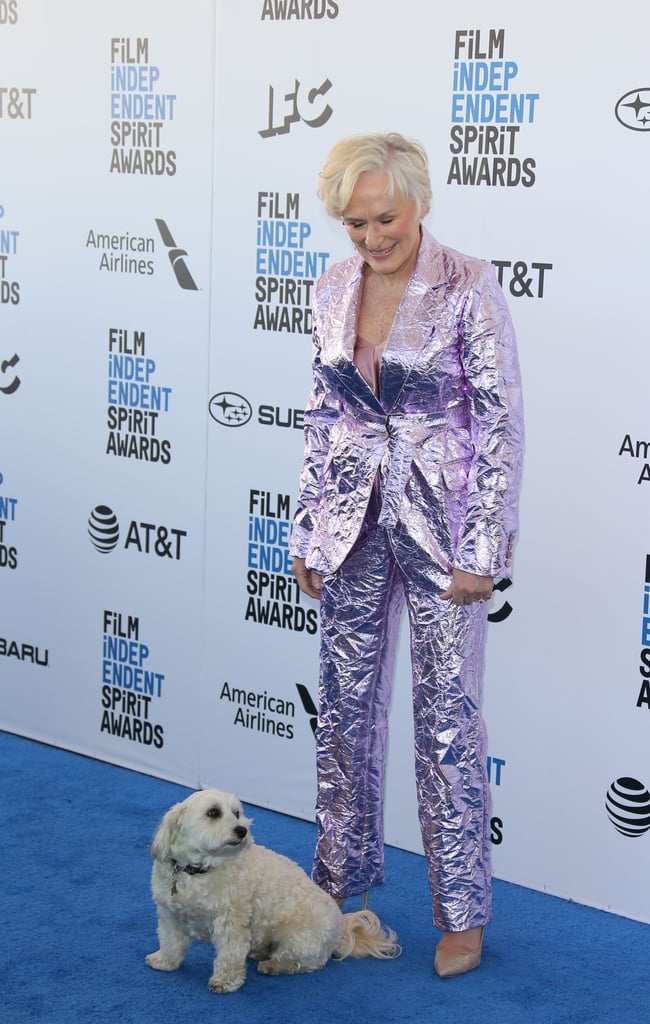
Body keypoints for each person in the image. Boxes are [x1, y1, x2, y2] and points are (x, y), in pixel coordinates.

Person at [290, 132, 523, 979]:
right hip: (352, 522)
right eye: (353, 223)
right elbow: (324, 414)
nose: (370, 237)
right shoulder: (331, 285)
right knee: (343, 709)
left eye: (383, 217)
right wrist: (311, 525)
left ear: (419, 201)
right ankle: (337, 883)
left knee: (447, 723)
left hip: (444, 529)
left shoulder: (469, 286)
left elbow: (498, 425)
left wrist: (485, 547)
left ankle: (461, 911)